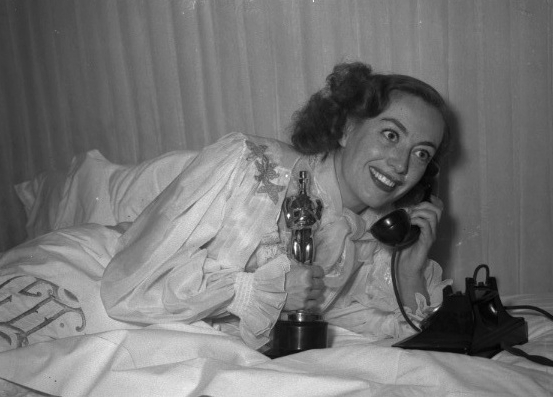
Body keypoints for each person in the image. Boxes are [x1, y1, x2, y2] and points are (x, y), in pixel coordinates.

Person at [100, 61, 455, 350]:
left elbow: (381, 326)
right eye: (391, 135)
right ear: (346, 129)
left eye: (422, 153)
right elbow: (130, 285)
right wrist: (255, 290)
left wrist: (408, 270)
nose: (401, 165)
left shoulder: (367, 234)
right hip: (106, 275)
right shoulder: (250, 166)